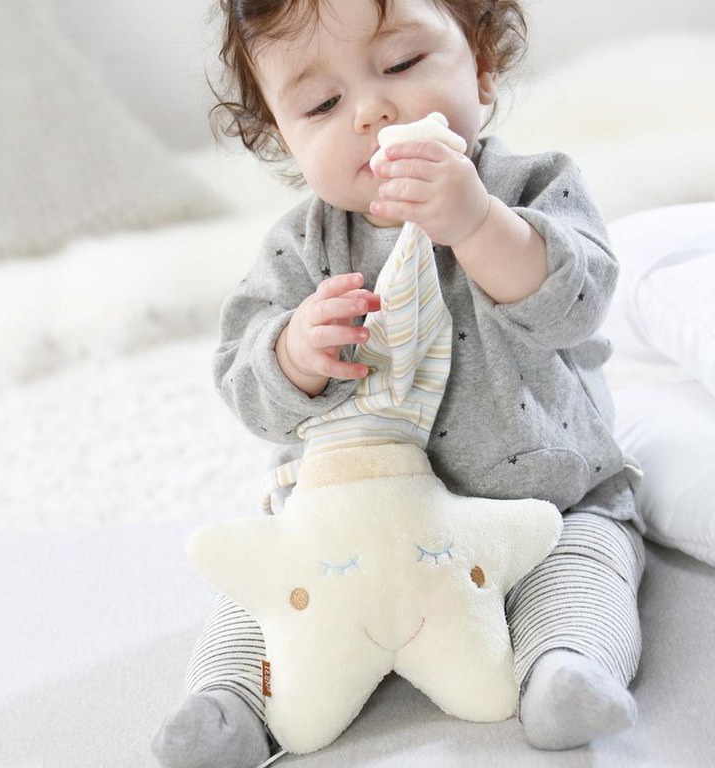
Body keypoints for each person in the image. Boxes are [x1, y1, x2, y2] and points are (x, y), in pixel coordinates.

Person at [152, 1, 646, 766]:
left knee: (586, 562)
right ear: (285, 139)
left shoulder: (531, 186)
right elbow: (243, 383)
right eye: (322, 104)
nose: (371, 111)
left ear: (482, 67)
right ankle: (229, 705)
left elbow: (574, 304)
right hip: (353, 535)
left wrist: (477, 223)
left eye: (402, 64)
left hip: (542, 502)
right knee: (267, 589)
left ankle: (565, 669)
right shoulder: (300, 248)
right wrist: (294, 352)